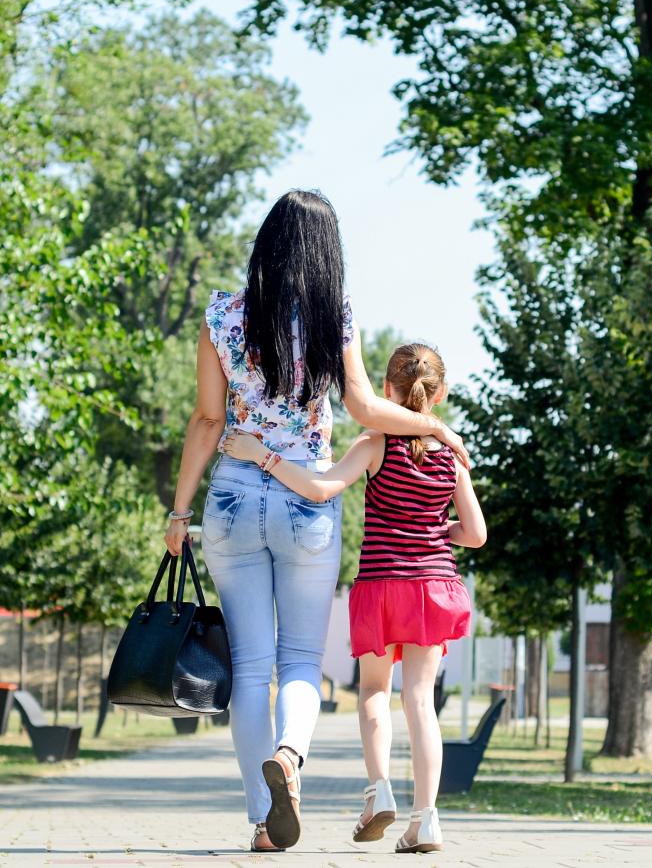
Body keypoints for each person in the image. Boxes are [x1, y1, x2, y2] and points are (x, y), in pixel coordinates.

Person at [163, 191, 469, 854]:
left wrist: (179, 510)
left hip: (235, 497)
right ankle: (290, 759)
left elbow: (207, 420)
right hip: (306, 496)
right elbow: (362, 405)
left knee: (250, 664)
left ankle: (261, 821)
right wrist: (433, 425)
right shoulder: (336, 315)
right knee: (300, 658)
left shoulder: (222, 313)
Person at [223, 342, 486, 854]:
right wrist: (433, 531)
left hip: (382, 587)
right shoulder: (452, 457)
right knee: (420, 702)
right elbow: (474, 534)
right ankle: (426, 819)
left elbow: (320, 489)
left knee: (372, 695)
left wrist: (263, 454)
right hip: (433, 589)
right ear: (441, 394)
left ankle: (378, 790)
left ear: (385, 391)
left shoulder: (374, 444)